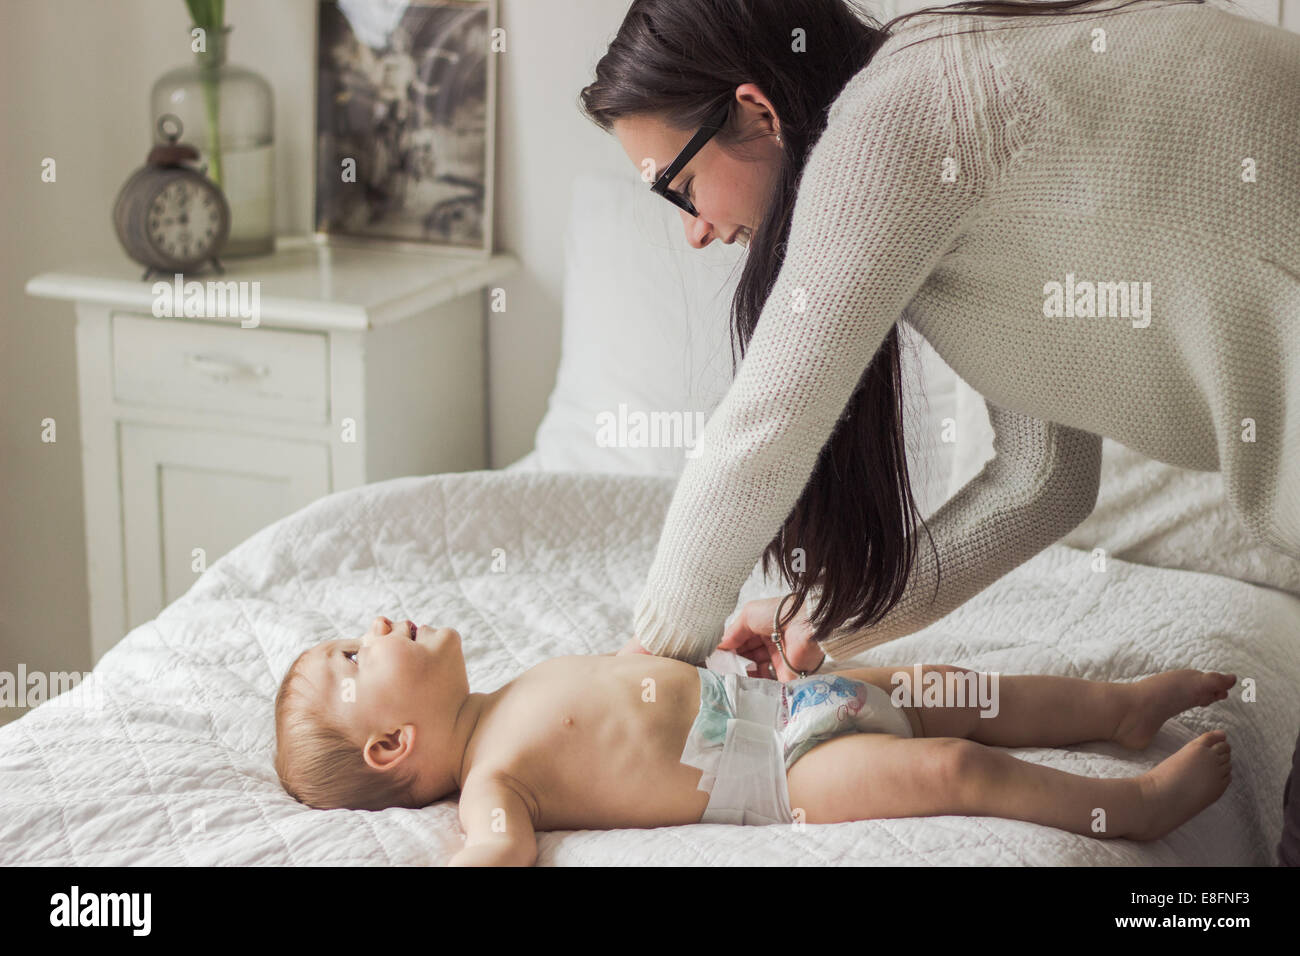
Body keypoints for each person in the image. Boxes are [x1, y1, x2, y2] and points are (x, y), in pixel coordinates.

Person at [580, 0, 1300, 863]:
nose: (693, 230)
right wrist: (823, 620)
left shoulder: (901, 116)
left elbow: (765, 426)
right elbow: (1042, 480)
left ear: (757, 112)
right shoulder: (946, 154)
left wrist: (649, 668)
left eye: (679, 186)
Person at [273, 616, 1236, 865]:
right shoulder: (495, 775)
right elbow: (500, 848)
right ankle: (1135, 809)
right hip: (783, 770)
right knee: (953, 763)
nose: (375, 625)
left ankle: (1118, 710)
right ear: (391, 747)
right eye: (352, 656)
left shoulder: (511, 690)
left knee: (958, 691)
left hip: (776, 697)